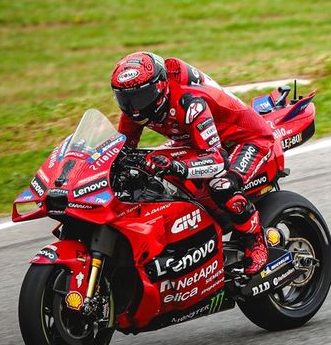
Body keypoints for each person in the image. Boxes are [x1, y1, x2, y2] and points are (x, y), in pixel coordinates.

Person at [110, 51, 276, 274]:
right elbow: (123, 150)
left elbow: (217, 160)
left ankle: (255, 240)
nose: (133, 107)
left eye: (140, 97)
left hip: (245, 140)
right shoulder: (134, 112)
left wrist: (178, 167)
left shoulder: (188, 102)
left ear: (159, 87)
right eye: (125, 99)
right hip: (196, 141)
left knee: (222, 185)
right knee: (147, 172)